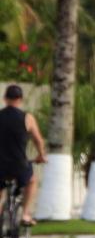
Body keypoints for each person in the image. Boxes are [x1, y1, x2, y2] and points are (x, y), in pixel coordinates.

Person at [0, 84, 47, 225]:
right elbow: (38, 140)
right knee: (32, 181)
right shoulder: (27, 118)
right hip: (19, 166)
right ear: (20, 99)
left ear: (5, 99)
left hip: (0, 166)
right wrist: (41, 155)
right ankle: (25, 215)